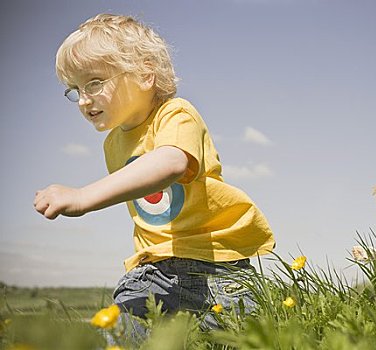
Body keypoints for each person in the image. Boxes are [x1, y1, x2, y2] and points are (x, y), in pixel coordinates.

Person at [33, 13, 275, 341]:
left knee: (245, 342)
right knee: (116, 336)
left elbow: (170, 163)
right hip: (153, 271)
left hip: (215, 267)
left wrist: (83, 196)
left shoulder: (175, 114)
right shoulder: (113, 143)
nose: (84, 99)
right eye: (75, 89)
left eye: (94, 83)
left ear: (146, 73)